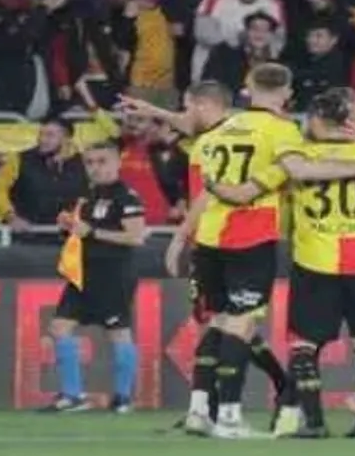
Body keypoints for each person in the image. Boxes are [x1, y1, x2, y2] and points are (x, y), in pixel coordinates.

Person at [183, 65, 355, 438]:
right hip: (354, 257)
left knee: (295, 341)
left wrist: (190, 224)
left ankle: (301, 421)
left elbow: (240, 189)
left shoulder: (236, 137)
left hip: (298, 255)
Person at [122, 83, 289, 427]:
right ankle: (225, 407)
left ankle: (206, 409)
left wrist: (181, 236)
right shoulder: (233, 134)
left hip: (213, 240)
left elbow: (205, 196)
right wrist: (155, 112)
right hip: (231, 239)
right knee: (232, 326)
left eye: (187, 107)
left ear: (202, 105)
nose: (182, 116)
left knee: (223, 326)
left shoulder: (208, 144)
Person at [41, 141, 148, 413]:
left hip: (113, 274)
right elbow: (82, 232)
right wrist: (68, 227)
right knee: (59, 327)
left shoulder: (127, 197)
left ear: (117, 162)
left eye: (102, 161)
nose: (95, 168)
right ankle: (72, 395)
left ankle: (122, 398)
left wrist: (92, 232)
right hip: (82, 273)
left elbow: (136, 237)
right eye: (90, 162)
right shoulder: (86, 197)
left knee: (118, 332)